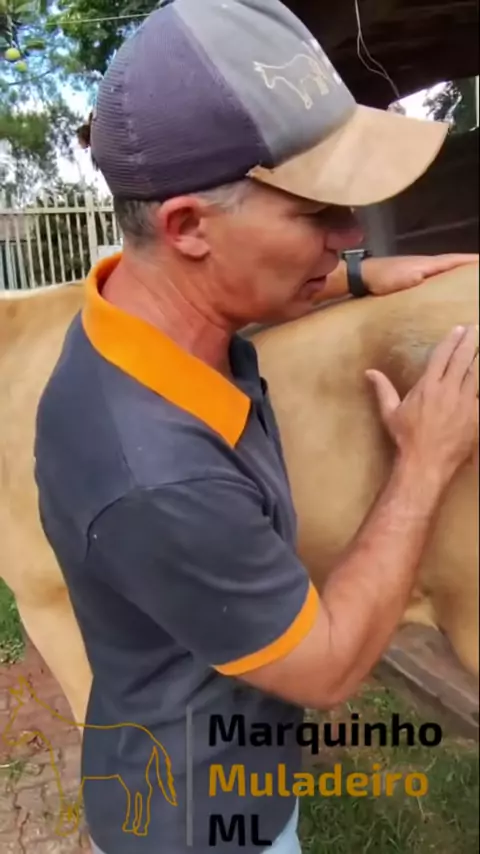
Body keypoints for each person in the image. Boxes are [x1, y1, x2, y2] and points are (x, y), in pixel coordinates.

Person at [33, 1, 479, 853]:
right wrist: (424, 463)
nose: (351, 233)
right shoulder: (158, 474)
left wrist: (357, 276)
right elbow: (329, 668)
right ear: (188, 227)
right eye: (317, 214)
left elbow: (209, 288)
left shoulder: (141, 313)